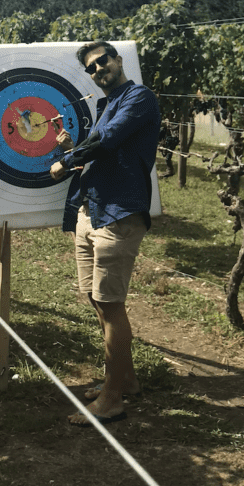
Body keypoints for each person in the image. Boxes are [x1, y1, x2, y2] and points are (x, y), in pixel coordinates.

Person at [50, 41, 161, 425]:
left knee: (109, 303)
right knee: (94, 297)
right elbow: (103, 148)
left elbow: (109, 139)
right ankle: (124, 379)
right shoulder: (106, 105)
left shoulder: (139, 98)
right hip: (92, 209)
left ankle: (111, 399)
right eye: (92, 68)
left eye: (103, 62)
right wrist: (75, 147)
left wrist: (66, 160)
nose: (99, 70)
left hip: (118, 213)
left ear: (118, 59)